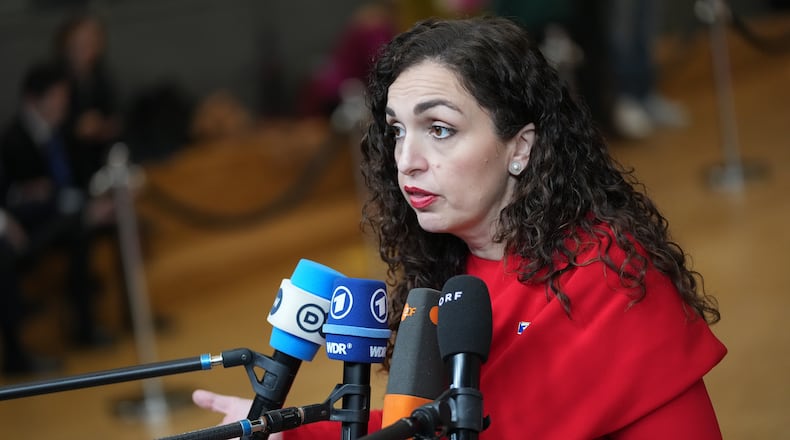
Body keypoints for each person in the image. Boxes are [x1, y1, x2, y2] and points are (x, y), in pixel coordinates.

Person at [191, 16, 726, 439]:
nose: (408, 160)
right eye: (397, 131)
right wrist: (286, 432)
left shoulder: (607, 273)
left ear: (520, 147)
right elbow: (431, 428)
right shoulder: (451, 275)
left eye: (440, 129)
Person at [0, 62, 114, 350]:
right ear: (33, 99)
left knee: (106, 224)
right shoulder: (12, 139)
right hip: (26, 230)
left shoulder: (60, 132)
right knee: (78, 226)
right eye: (57, 96)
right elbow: (16, 197)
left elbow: (72, 180)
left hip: (60, 218)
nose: (63, 103)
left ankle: (96, 321)